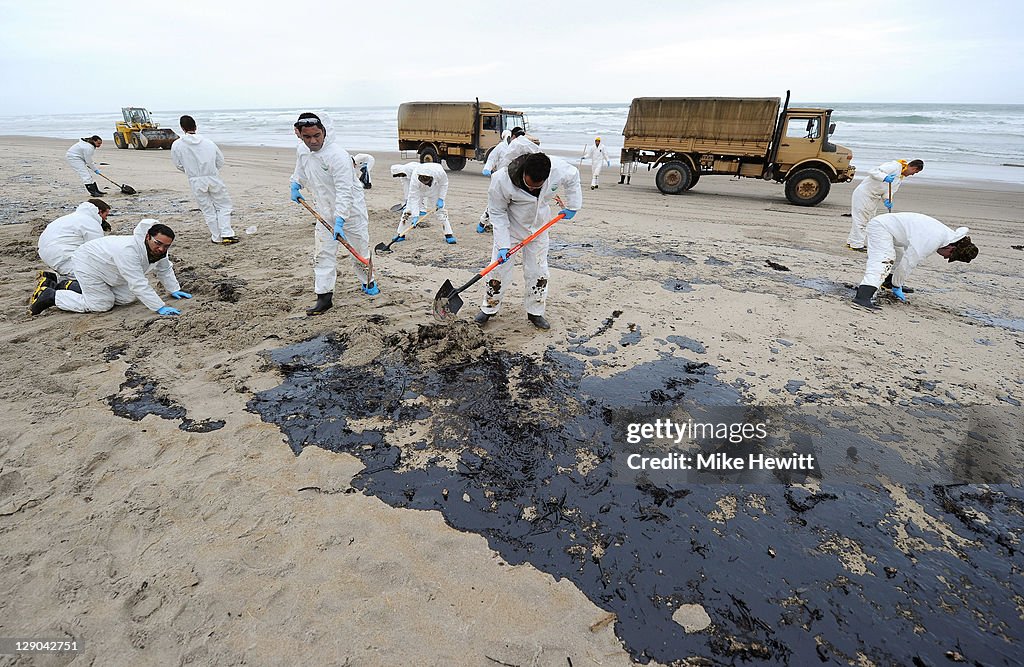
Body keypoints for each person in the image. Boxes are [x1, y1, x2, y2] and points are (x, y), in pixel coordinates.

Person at [473, 152, 582, 330]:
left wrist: (573, 205)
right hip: (511, 230)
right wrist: (503, 245)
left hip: (539, 228)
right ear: (524, 173)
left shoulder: (558, 169)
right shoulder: (501, 180)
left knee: (539, 271)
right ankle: (489, 308)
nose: (532, 190)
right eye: (529, 186)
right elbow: (497, 213)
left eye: (537, 186)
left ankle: (535, 312)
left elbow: (573, 177)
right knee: (498, 270)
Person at [289, 112, 375, 316]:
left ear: (325, 131)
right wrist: (295, 183)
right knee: (323, 254)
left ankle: (368, 282)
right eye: (307, 137)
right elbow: (300, 170)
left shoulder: (337, 156)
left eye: (317, 135)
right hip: (324, 212)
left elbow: (345, 191)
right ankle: (324, 297)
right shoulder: (303, 150)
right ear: (299, 134)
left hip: (351, 213)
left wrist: (341, 219)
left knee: (359, 251)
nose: (313, 141)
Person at [30, 220, 192, 317]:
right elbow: (138, 283)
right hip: (89, 264)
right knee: (102, 305)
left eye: (166, 246)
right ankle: (51, 295)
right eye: (158, 243)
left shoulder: (159, 250)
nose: (162, 249)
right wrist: (160, 307)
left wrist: (173, 289)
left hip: (111, 270)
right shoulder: (129, 250)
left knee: (127, 298)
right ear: (148, 236)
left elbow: (164, 269)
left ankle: (71, 285)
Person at [852, 212, 978, 310]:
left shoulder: (946, 236)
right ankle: (863, 296)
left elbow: (906, 258)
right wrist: (898, 285)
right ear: (952, 247)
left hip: (891, 230)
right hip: (881, 227)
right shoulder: (933, 240)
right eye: (949, 256)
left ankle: (888, 282)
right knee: (884, 259)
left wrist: (896, 283)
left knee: (899, 254)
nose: (945, 258)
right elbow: (908, 264)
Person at [170, 115, 238, 245]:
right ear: (195, 126)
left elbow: (178, 164)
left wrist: (191, 171)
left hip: (195, 179)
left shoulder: (177, 145)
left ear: (182, 128)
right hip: (212, 176)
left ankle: (216, 236)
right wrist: (211, 170)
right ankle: (226, 233)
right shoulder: (208, 142)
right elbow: (220, 161)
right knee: (223, 206)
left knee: (207, 209)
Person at [847, 159, 924, 251]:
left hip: (874, 197)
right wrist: (884, 177)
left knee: (867, 219)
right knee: (861, 219)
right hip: (864, 194)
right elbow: (873, 171)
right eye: (915, 172)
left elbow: (888, 191)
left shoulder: (899, 178)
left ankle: (852, 241)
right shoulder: (894, 166)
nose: (912, 174)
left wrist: (888, 200)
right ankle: (856, 244)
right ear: (913, 168)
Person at [37, 199, 111, 282]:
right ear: (100, 212)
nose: (106, 218)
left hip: (47, 253)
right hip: (62, 255)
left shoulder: (71, 217)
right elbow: (98, 250)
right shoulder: (91, 223)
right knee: (92, 278)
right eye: (106, 215)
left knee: (70, 273)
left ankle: (55, 280)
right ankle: (51, 288)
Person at [396, 162, 455, 244]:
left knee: (440, 211)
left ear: (431, 177)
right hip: (419, 191)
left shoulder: (439, 172)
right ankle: (400, 234)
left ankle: (448, 234)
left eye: (426, 181)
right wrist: (415, 215)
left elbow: (444, 184)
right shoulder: (415, 178)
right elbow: (414, 198)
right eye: (422, 180)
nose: (424, 182)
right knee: (408, 211)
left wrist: (441, 198)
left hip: (434, 190)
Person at [478, 130, 513, 233]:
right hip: (499, 178)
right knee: (495, 201)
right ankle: (482, 222)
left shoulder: (516, 147)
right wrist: (487, 168)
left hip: (512, 179)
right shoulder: (501, 147)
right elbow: (491, 158)